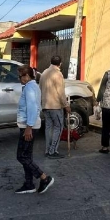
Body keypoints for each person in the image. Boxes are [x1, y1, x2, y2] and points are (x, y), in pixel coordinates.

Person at [15, 65, 55, 194]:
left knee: (21, 156)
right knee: (27, 156)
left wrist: (28, 128)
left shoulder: (30, 88)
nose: (19, 79)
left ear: (27, 76)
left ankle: (44, 178)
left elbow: (32, 108)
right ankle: (29, 184)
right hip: (27, 125)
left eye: (20, 76)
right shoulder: (30, 87)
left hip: (28, 126)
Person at [39, 56, 70, 159]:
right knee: (58, 127)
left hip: (45, 106)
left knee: (48, 128)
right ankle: (52, 151)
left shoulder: (44, 73)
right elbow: (61, 92)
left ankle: (48, 150)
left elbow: (40, 89)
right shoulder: (58, 74)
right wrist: (66, 105)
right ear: (60, 64)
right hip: (55, 106)